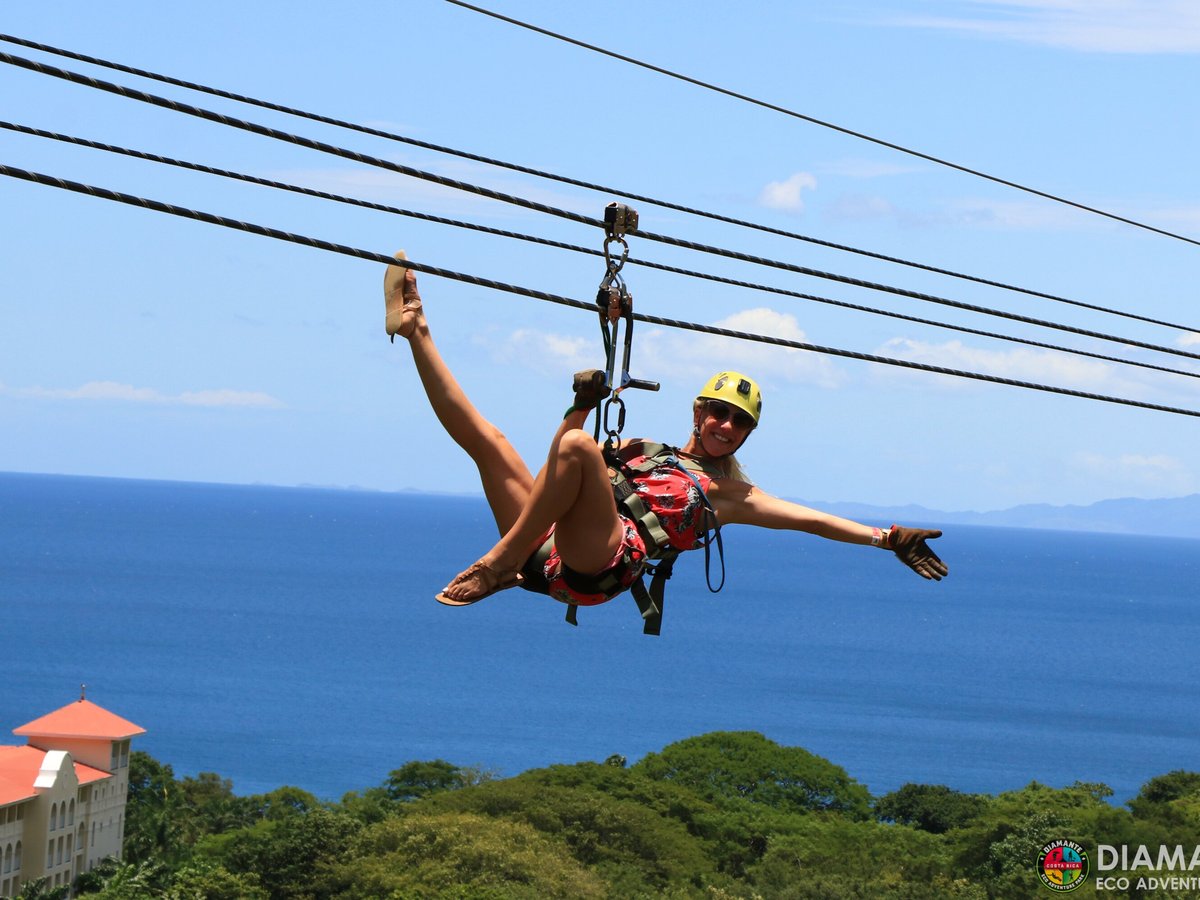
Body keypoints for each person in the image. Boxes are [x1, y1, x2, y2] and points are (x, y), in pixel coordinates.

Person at [384, 252, 947, 614]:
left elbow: (815, 522)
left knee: (580, 445)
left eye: (739, 422)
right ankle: (417, 329)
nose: (726, 427)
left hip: (599, 565)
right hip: (549, 544)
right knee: (493, 442)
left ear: (747, 436)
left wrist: (887, 537)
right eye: (719, 414)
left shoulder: (730, 497)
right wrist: (579, 408)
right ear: (699, 413)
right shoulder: (642, 452)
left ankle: (497, 564)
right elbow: (562, 457)